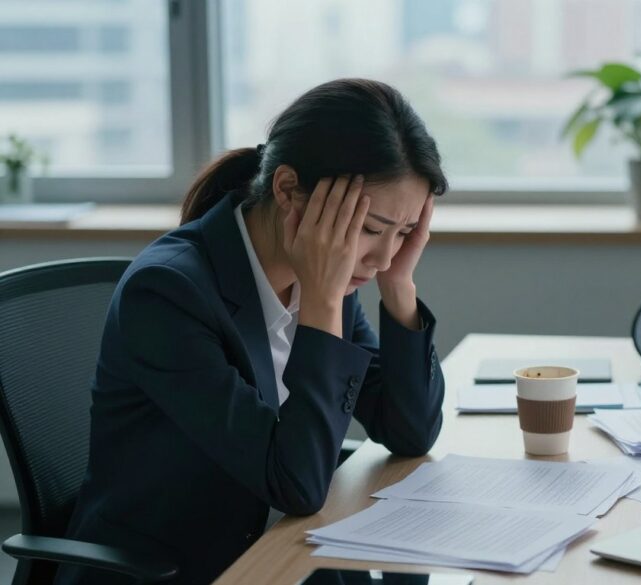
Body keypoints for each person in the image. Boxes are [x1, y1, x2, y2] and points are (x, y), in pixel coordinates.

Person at [55, 79, 447, 585]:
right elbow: (298, 484)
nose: (384, 256)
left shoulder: (330, 276)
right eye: (371, 229)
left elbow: (409, 431)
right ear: (288, 190)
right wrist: (324, 303)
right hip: (186, 569)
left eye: (404, 233)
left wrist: (399, 287)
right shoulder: (168, 294)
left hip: (277, 546)